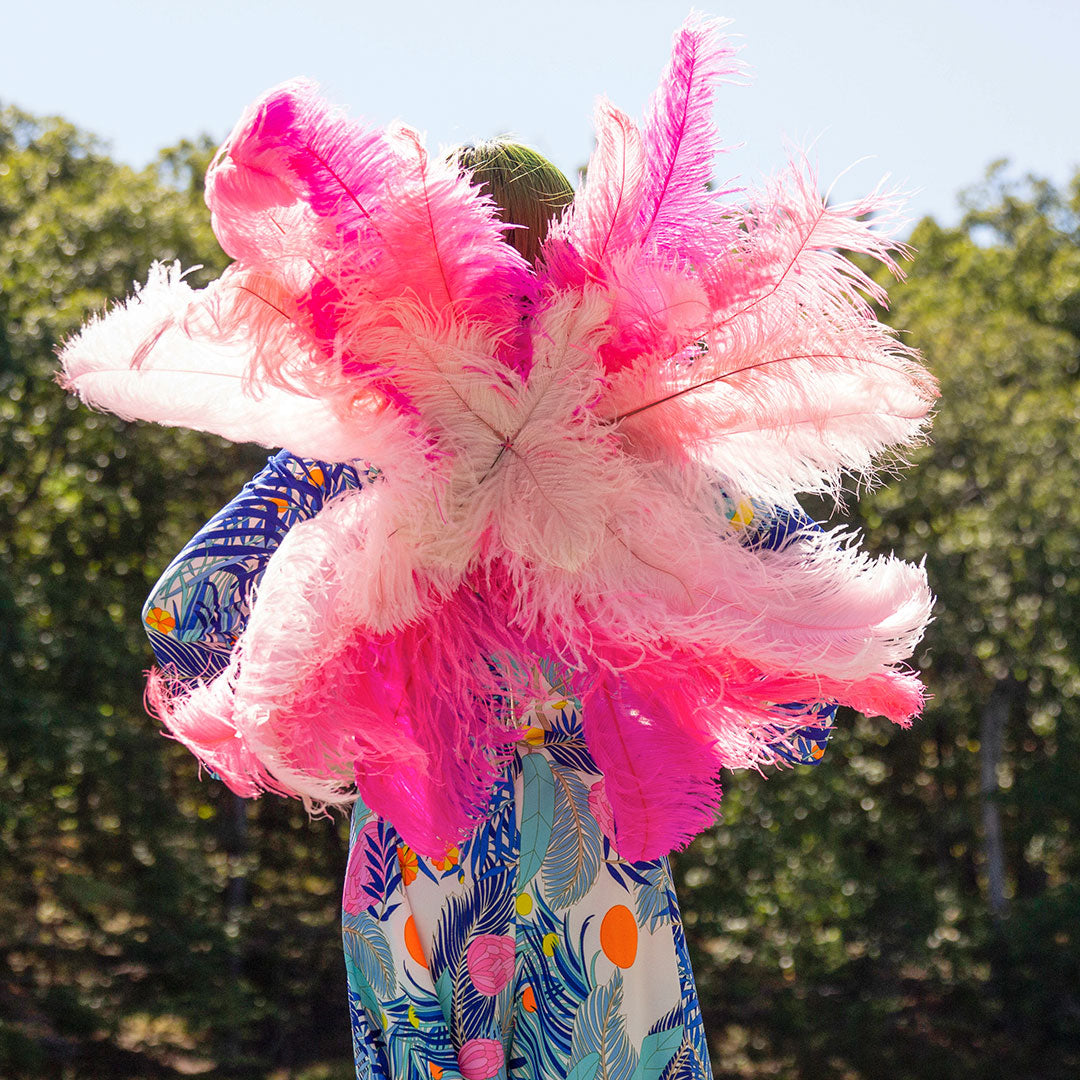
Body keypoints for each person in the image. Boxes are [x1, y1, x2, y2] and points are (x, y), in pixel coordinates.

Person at [61, 17, 933, 1080]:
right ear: (574, 249)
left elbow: (186, 608)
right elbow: (811, 622)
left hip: (419, 843)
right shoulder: (636, 430)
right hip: (592, 840)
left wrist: (329, 716)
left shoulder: (366, 434)